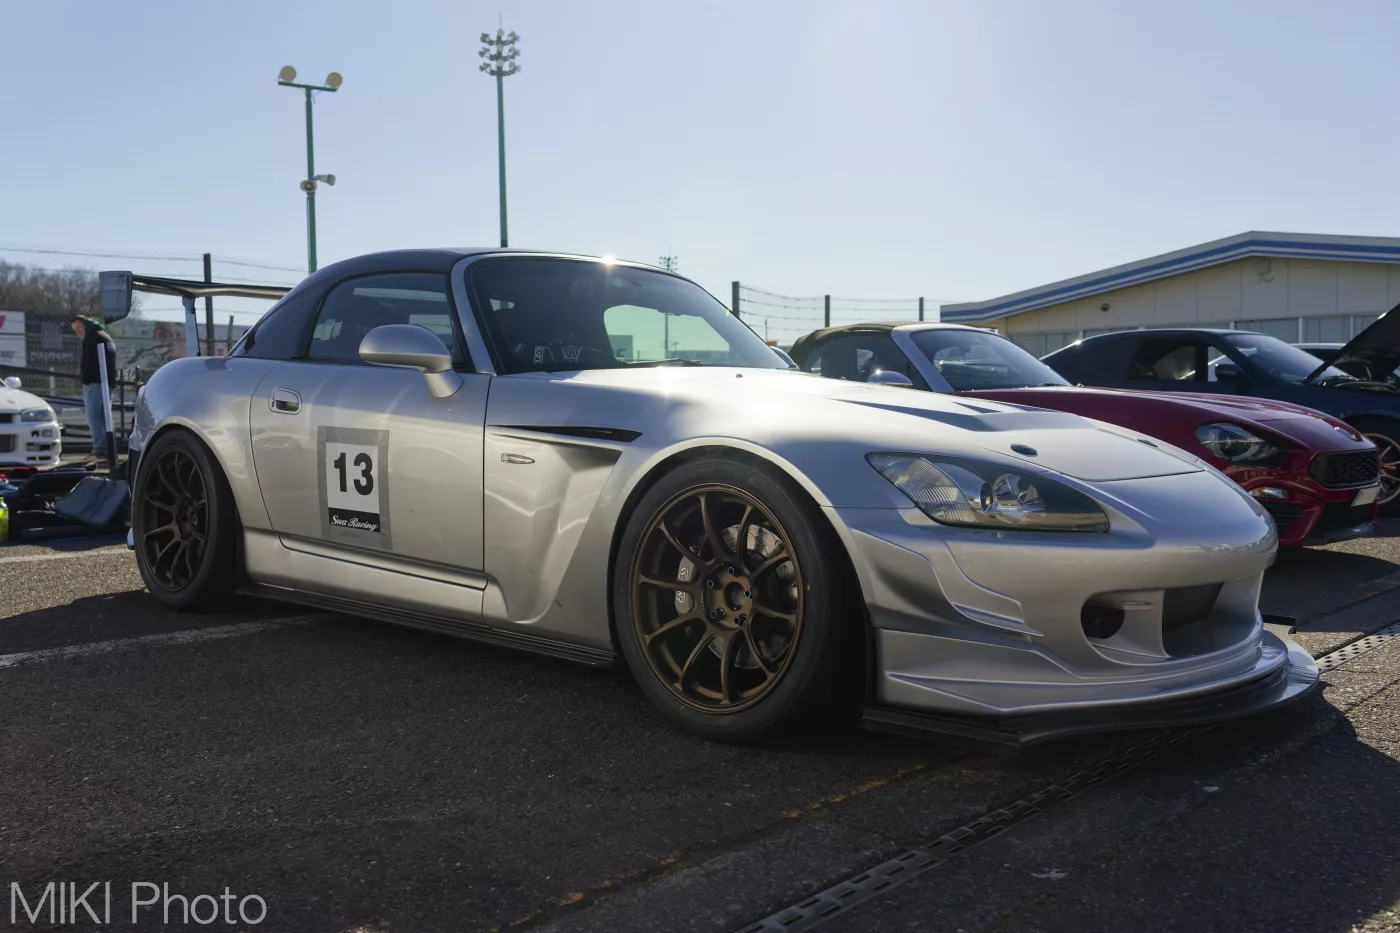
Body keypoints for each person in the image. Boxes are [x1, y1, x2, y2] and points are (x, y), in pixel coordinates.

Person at [70, 315, 117, 462]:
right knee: (106, 418)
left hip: (94, 382)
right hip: (107, 382)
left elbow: (89, 363)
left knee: (93, 416)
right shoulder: (105, 337)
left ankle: (99, 449)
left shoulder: (91, 338)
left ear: (85, 325)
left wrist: (84, 379)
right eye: (75, 330)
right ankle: (111, 448)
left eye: (79, 328)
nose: (78, 332)